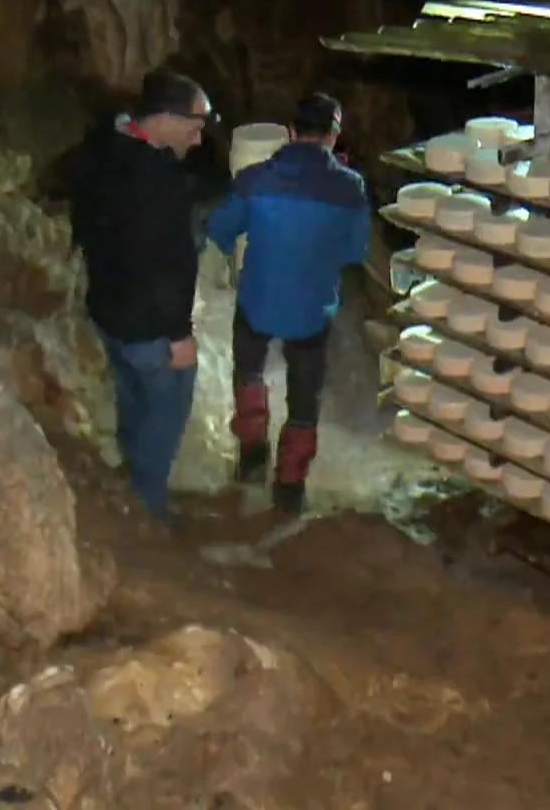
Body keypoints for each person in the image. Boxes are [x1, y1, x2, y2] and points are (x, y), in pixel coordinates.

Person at [206, 92, 370, 514]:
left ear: (291, 132)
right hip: (312, 310)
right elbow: (355, 252)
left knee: (249, 369)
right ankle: (290, 487)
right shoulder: (350, 188)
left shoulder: (255, 178)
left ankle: (251, 458)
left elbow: (221, 232)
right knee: (304, 397)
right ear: (334, 135)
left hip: (258, 299)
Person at [68, 69, 213, 523]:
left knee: (133, 400)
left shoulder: (100, 148)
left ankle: (132, 485)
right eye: (196, 126)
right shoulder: (156, 180)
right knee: (166, 407)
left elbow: (89, 226)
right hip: (146, 322)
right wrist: (179, 335)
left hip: (107, 309)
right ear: (166, 119)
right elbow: (164, 265)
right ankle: (148, 509)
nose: (198, 139)